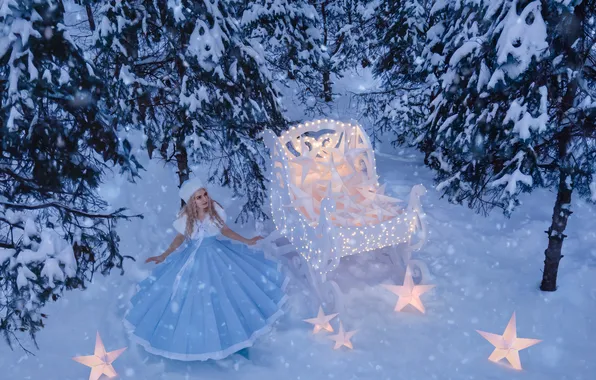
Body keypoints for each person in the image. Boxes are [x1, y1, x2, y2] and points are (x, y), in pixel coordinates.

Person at [123, 177, 289, 361]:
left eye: (204, 195)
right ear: (191, 202)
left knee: (227, 291)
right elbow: (180, 238)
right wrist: (165, 254)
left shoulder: (215, 212)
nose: (204, 199)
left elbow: (225, 231)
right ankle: (202, 339)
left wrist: (246, 240)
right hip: (194, 259)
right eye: (198, 198)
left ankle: (236, 335)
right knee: (193, 298)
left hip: (217, 255)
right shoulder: (186, 219)